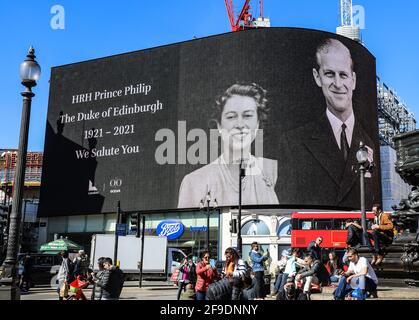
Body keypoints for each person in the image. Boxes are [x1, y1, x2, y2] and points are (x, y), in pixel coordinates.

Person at [278, 38, 379, 208]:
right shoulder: (293, 142)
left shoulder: (370, 143)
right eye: (329, 74)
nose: (338, 84)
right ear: (318, 77)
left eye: (343, 75)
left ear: (353, 80)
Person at [178, 83, 279, 208]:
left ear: (258, 123)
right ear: (219, 126)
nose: (240, 124)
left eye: (247, 116)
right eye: (231, 117)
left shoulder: (272, 171)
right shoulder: (194, 182)